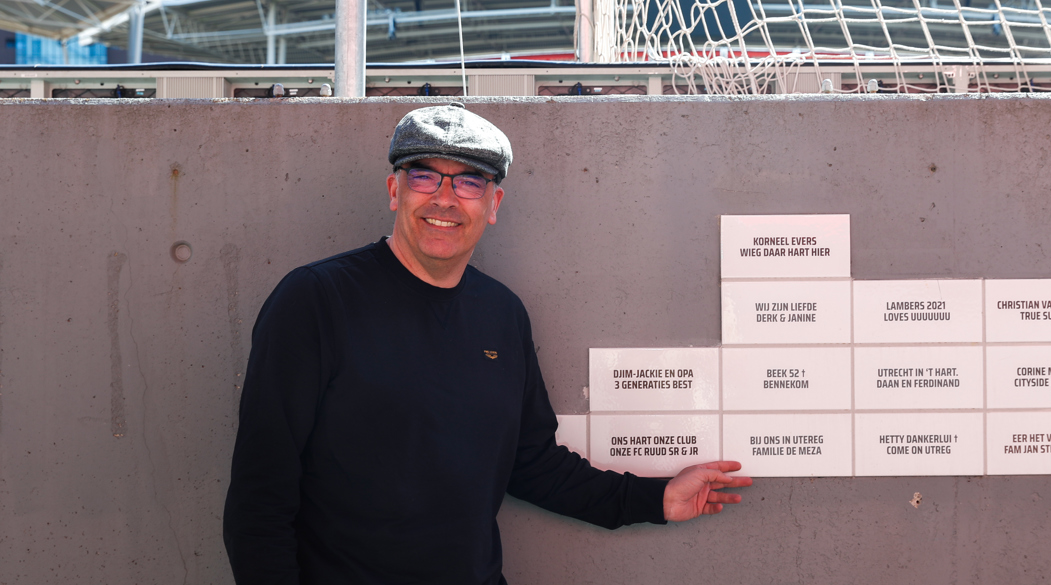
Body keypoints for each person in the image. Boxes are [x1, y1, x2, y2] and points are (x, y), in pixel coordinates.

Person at [222, 103, 751, 585]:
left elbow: (532, 463)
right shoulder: (316, 300)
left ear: (493, 203)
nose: (445, 198)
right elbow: (260, 496)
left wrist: (656, 499)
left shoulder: (502, 314)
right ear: (394, 191)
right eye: (424, 176)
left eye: (469, 182)